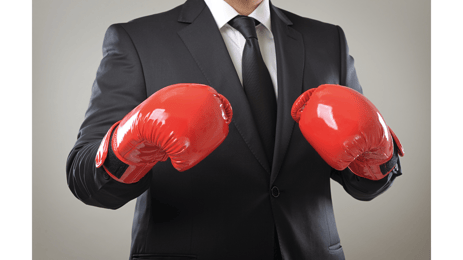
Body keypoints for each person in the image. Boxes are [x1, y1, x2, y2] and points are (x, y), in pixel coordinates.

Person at [66, 0, 403, 259]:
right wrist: (132, 142)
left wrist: (378, 155)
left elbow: (365, 179)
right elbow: (86, 180)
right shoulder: (138, 40)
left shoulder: (327, 39)